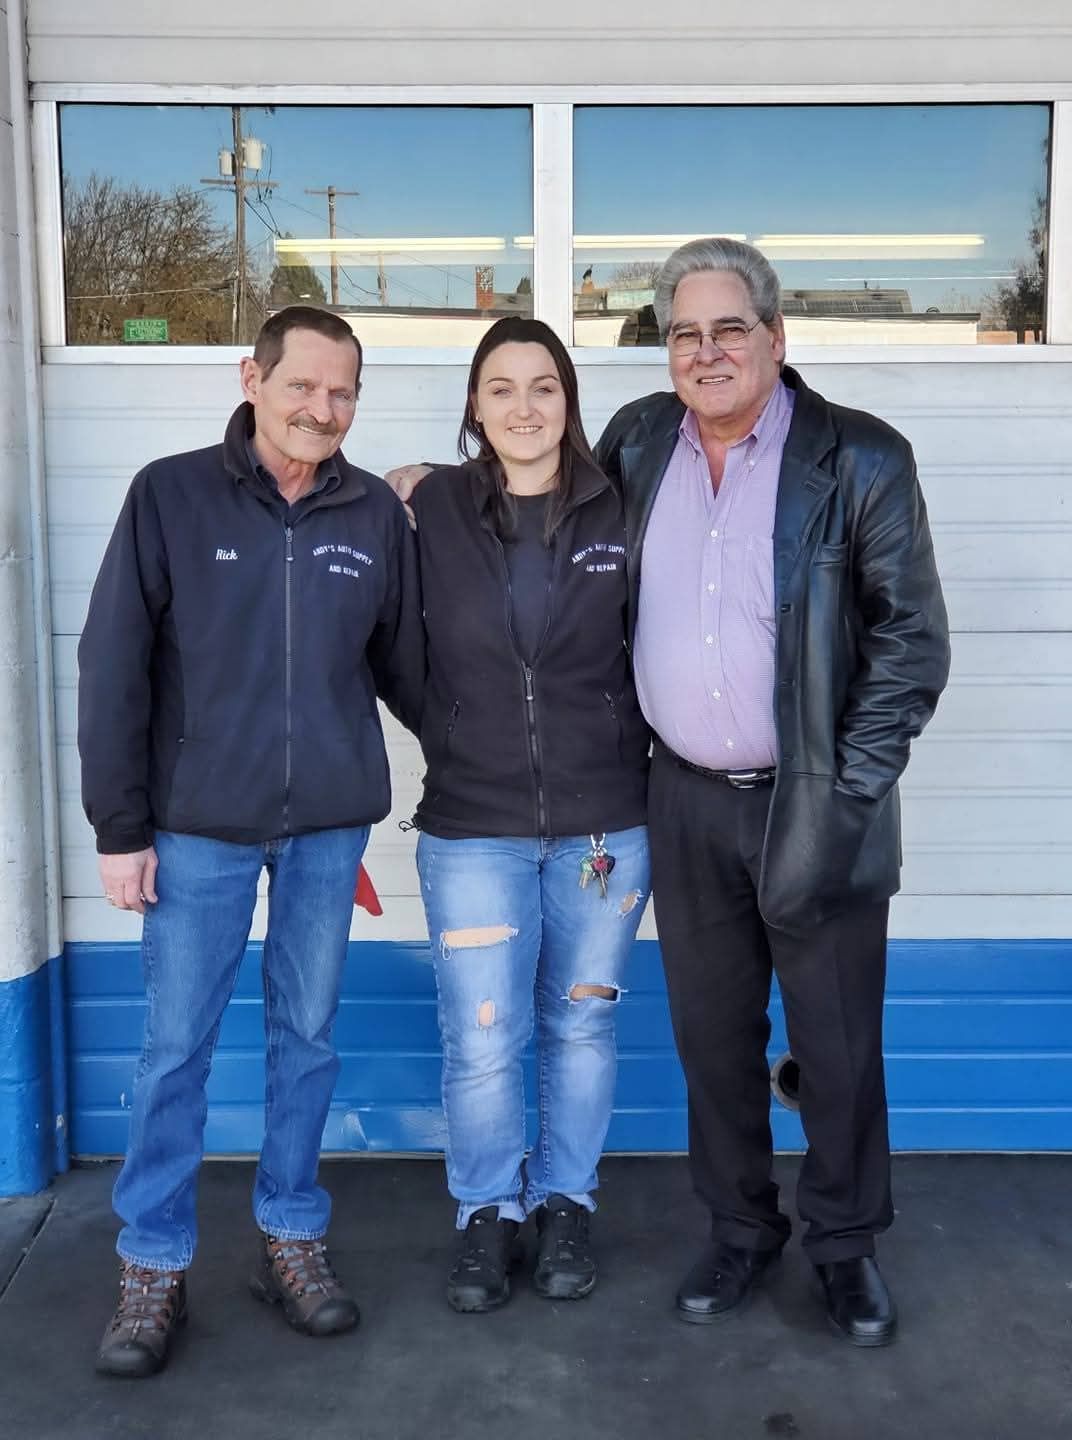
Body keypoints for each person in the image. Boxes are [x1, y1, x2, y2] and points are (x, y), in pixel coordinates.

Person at [387, 239, 950, 1346]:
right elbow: (522, 482)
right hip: (679, 800)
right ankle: (741, 1231)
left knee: (834, 1042)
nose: (705, 351)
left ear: (775, 339)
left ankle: (844, 1246)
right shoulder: (641, 443)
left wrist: (846, 790)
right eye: (683, 332)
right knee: (712, 1037)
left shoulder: (862, 460)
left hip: (815, 799)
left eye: (728, 328)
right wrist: (420, 481)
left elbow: (910, 645)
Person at [79, 306, 423, 1378]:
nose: (323, 410)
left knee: (306, 1037)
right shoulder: (169, 495)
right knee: (175, 1047)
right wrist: (119, 827)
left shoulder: (371, 513)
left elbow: (410, 666)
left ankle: (291, 1233)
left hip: (326, 827)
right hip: (195, 831)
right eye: (302, 387)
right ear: (252, 378)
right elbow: (113, 666)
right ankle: (151, 1261)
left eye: (343, 393)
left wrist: (500, 767)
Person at [408, 316, 651, 1313]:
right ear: (474, 404)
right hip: (472, 826)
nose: (522, 407)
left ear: (569, 400)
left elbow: (660, 645)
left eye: (542, 386)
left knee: (581, 1031)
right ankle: (484, 1214)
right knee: (482, 1035)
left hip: (604, 826)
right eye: (500, 388)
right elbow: (391, 644)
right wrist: (457, 724)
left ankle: (564, 1203)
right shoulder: (428, 512)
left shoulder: (622, 511)